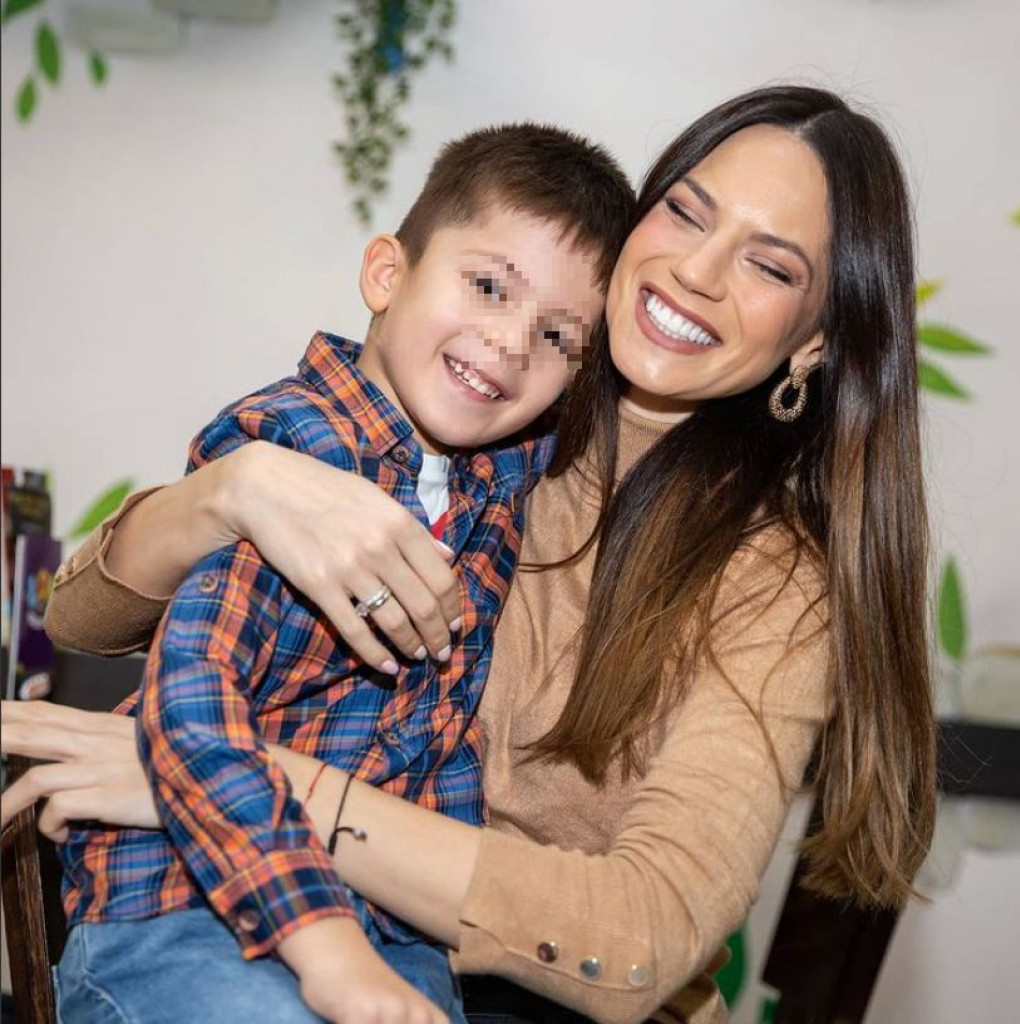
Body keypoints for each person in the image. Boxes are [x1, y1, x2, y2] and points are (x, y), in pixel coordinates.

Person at [2, 85, 936, 1024]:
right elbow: (81, 616)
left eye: (768, 265)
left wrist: (225, 778)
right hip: (297, 938)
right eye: (686, 212)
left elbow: (645, 935)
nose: (697, 269)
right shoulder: (481, 423)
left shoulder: (778, 581)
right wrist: (234, 489)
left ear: (813, 341)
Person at [38, 124, 632, 1024]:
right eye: (487, 286)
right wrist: (324, 947)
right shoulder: (298, 448)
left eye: (557, 335)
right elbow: (192, 701)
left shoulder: (499, 474)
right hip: (188, 904)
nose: (513, 342)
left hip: (392, 927)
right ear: (386, 275)